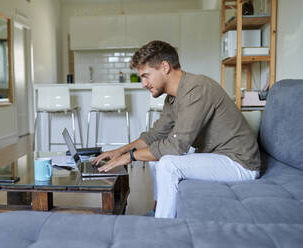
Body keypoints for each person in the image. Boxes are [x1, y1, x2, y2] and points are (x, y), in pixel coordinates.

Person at [92, 40, 261, 218]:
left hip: (240, 163)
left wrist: (130, 157)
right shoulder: (172, 98)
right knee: (154, 157)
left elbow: (177, 146)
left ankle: (163, 226)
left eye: (146, 75)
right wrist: (119, 151)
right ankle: (158, 211)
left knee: (168, 163)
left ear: (165, 67)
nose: (143, 83)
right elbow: (155, 135)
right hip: (218, 155)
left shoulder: (197, 88)